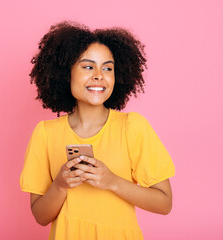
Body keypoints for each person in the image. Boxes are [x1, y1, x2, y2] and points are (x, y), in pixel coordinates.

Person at [20, 21, 175, 240]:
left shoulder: (133, 127)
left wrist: (112, 181)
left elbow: (164, 203)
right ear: (66, 73)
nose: (99, 75)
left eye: (108, 68)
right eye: (88, 66)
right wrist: (60, 185)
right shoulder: (45, 133)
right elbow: (41, 216)